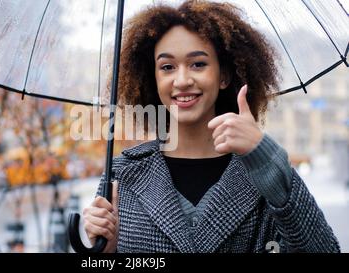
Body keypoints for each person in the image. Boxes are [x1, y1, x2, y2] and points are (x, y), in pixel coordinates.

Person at [83, 0, 340, 253]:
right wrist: (107, 252)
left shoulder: (264, 172)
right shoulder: (123, 175)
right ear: (154, 78)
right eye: (167, 67)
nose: (182, 80)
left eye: (198, 64)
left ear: (224, 76)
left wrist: (263, 154)